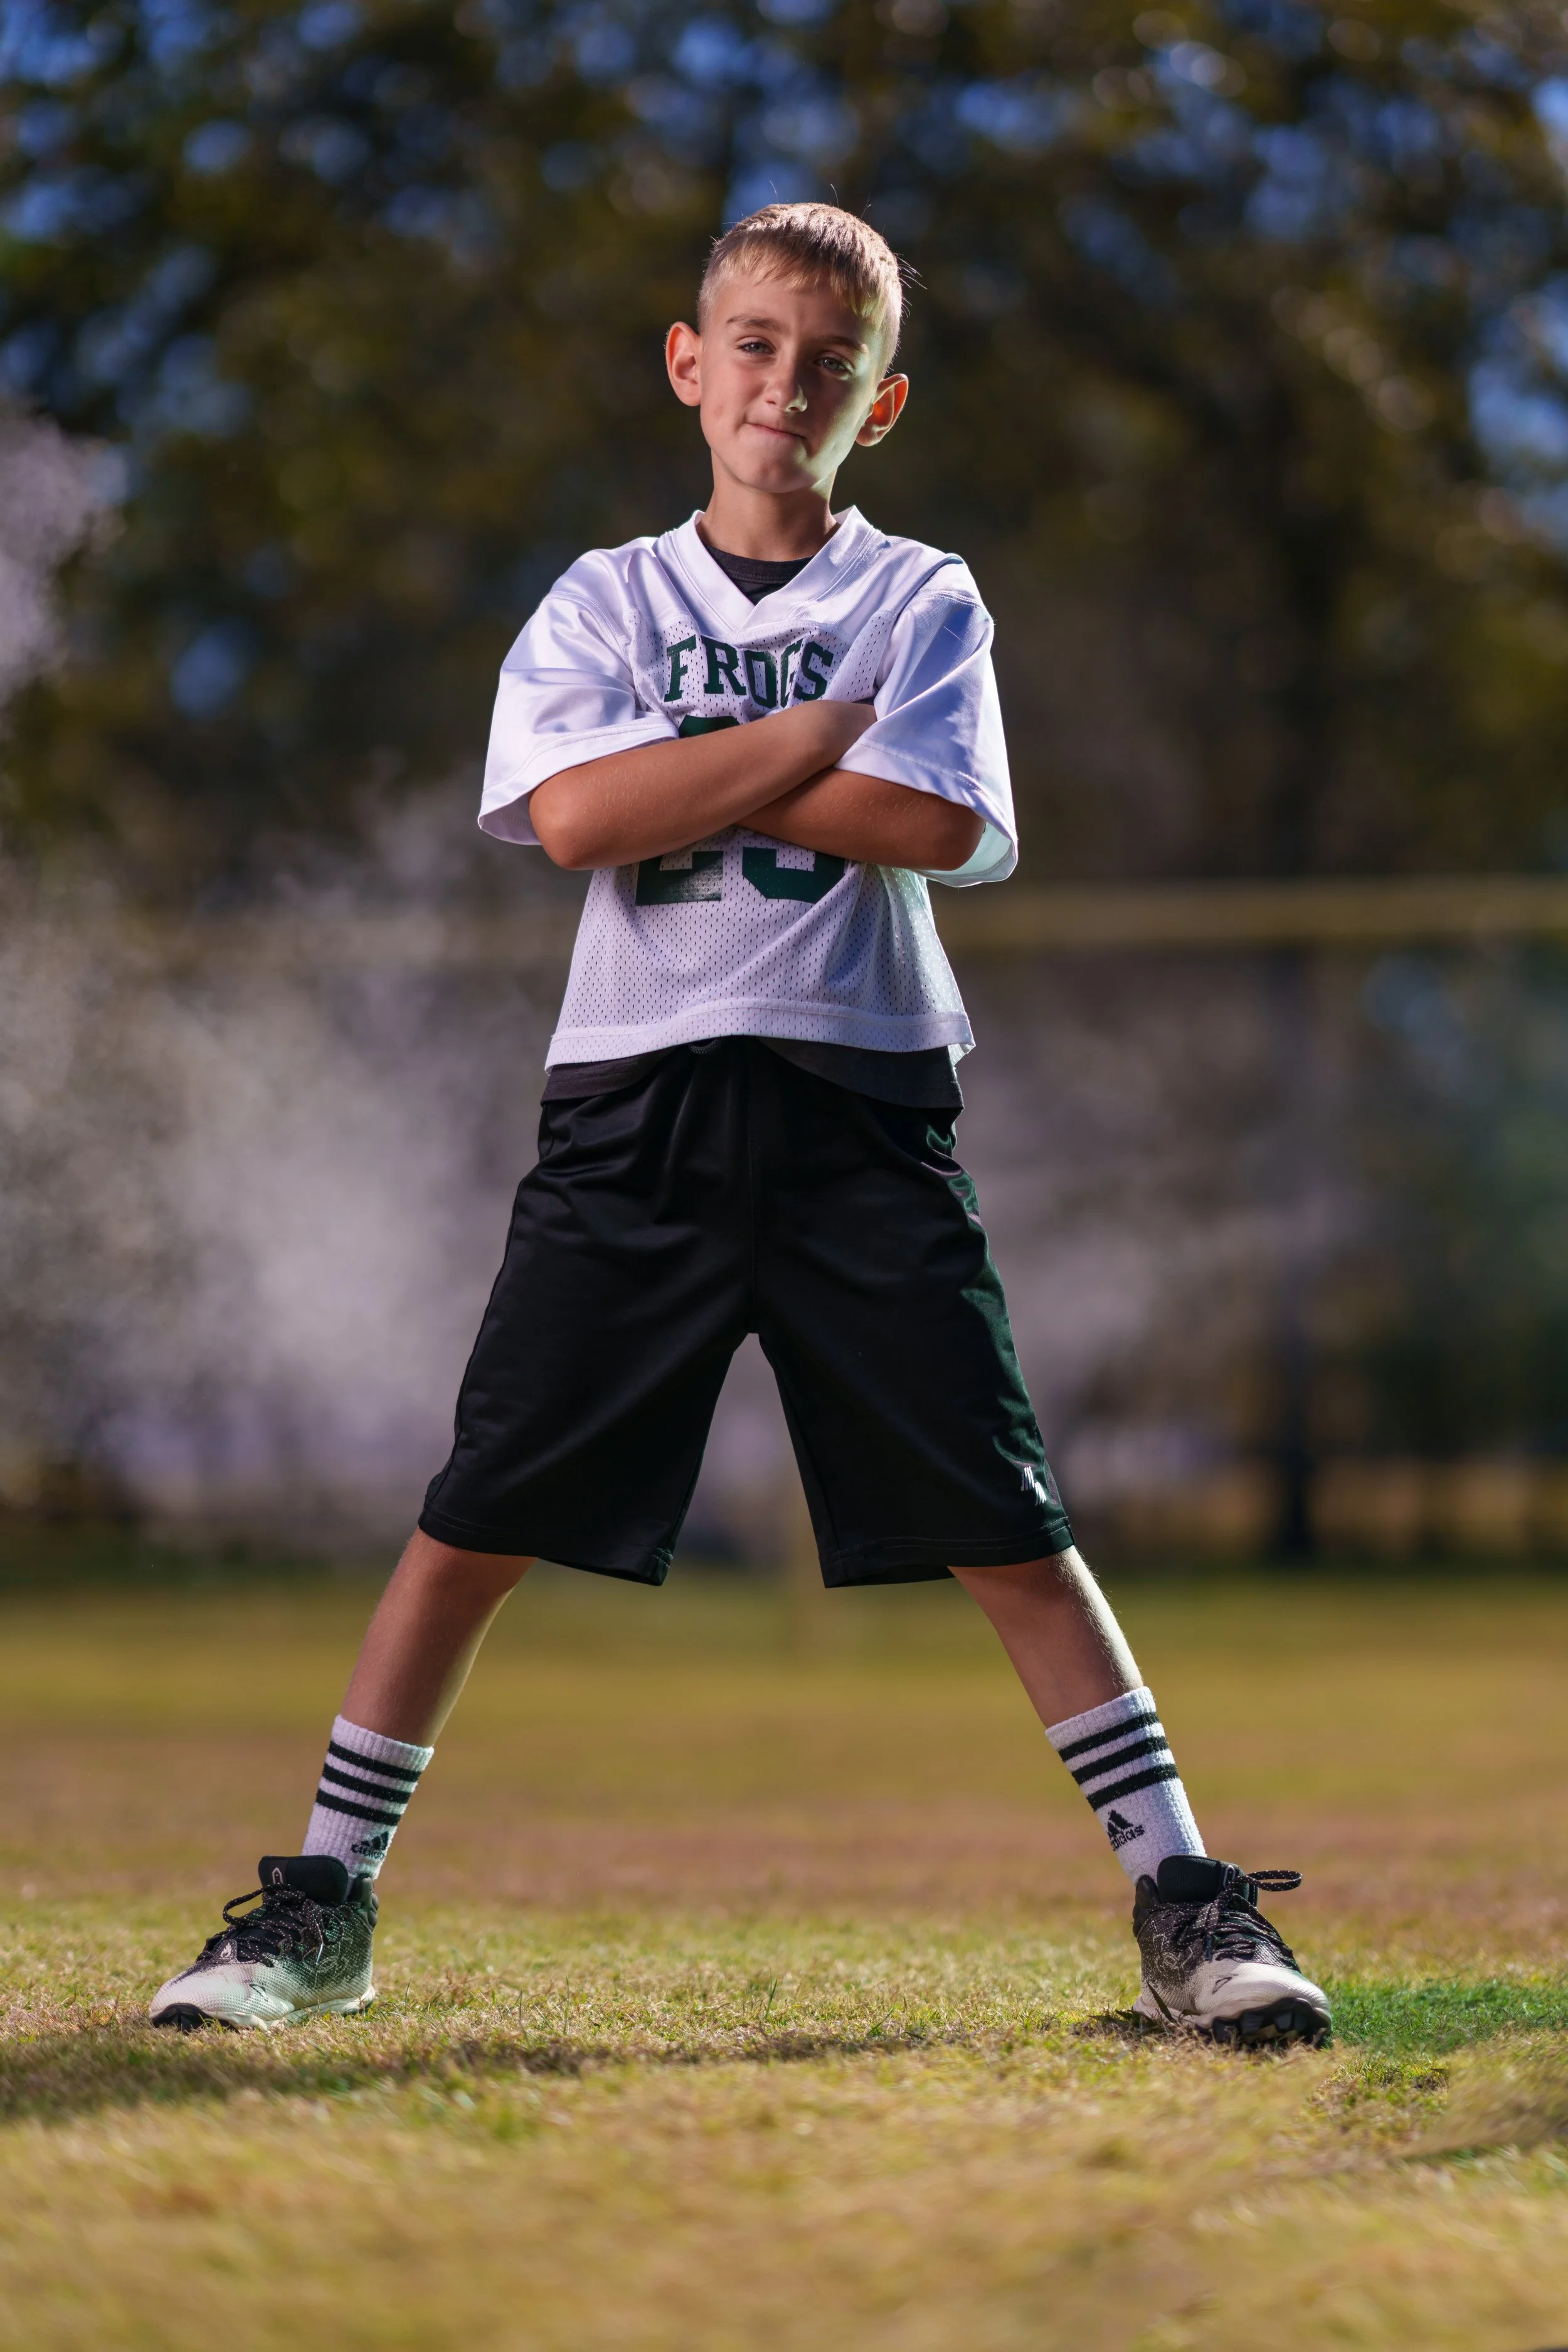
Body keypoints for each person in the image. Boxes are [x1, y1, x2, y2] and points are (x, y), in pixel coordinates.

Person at [150, 203, 1329, 2048]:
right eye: (755, 346)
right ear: (689, 363)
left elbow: (931, 827)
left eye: (831, 363)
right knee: (477, 1513)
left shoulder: (922, 590)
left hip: (862, 1095)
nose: (788, 384)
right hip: (638, 1093)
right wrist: (810, 740)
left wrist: (680, 771)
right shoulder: (603, 598)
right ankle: (319, 1900)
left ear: (884, 403)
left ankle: (1186, 1900)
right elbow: (568, 825)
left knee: (1006, 1520)